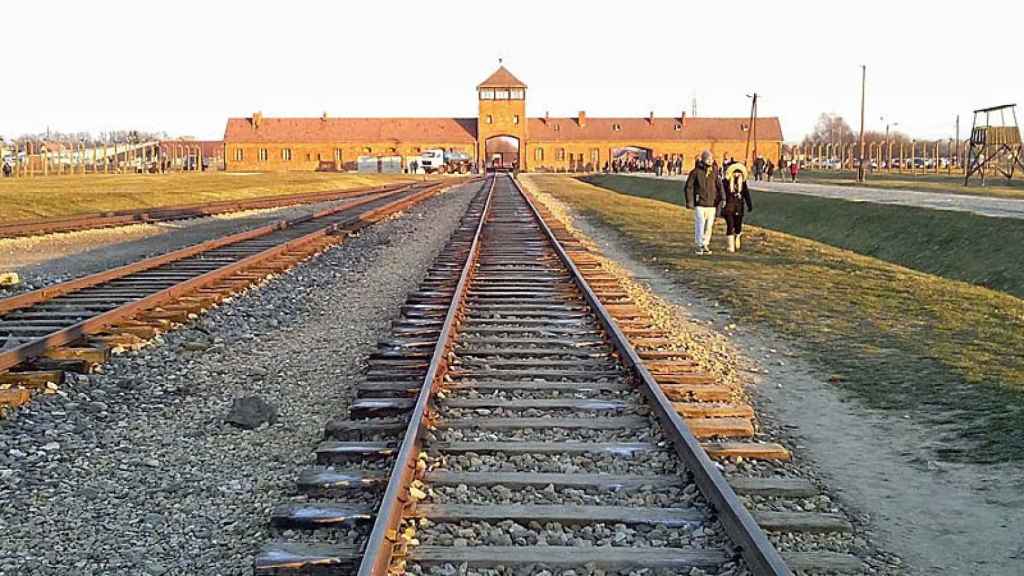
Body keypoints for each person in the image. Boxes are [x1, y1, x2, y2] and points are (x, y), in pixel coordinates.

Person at [684, 150, 723, 255]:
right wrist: (690, 201)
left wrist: (722, 198)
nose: (710, 161)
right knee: (700, 224)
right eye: (708, 159)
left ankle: (706, 243)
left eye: (711, 159)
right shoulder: (696, 172)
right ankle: (699, 244)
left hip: (711, 203)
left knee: (709, 226)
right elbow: (689, 187)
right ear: (703, 159)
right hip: (700, 203)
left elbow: (719, 186)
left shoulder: (715, 171)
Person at [722, 163, 753, 252]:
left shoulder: (743, 183)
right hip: (728, 207)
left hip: (739, 208)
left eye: (739, 173)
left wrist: (749, 205)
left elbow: (746, 194)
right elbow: (721, 193)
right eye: (735, 173)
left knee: (738, 226)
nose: (737, 175)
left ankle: (737, 236)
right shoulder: (726, 182)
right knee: (730, 225)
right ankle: (730, 246)